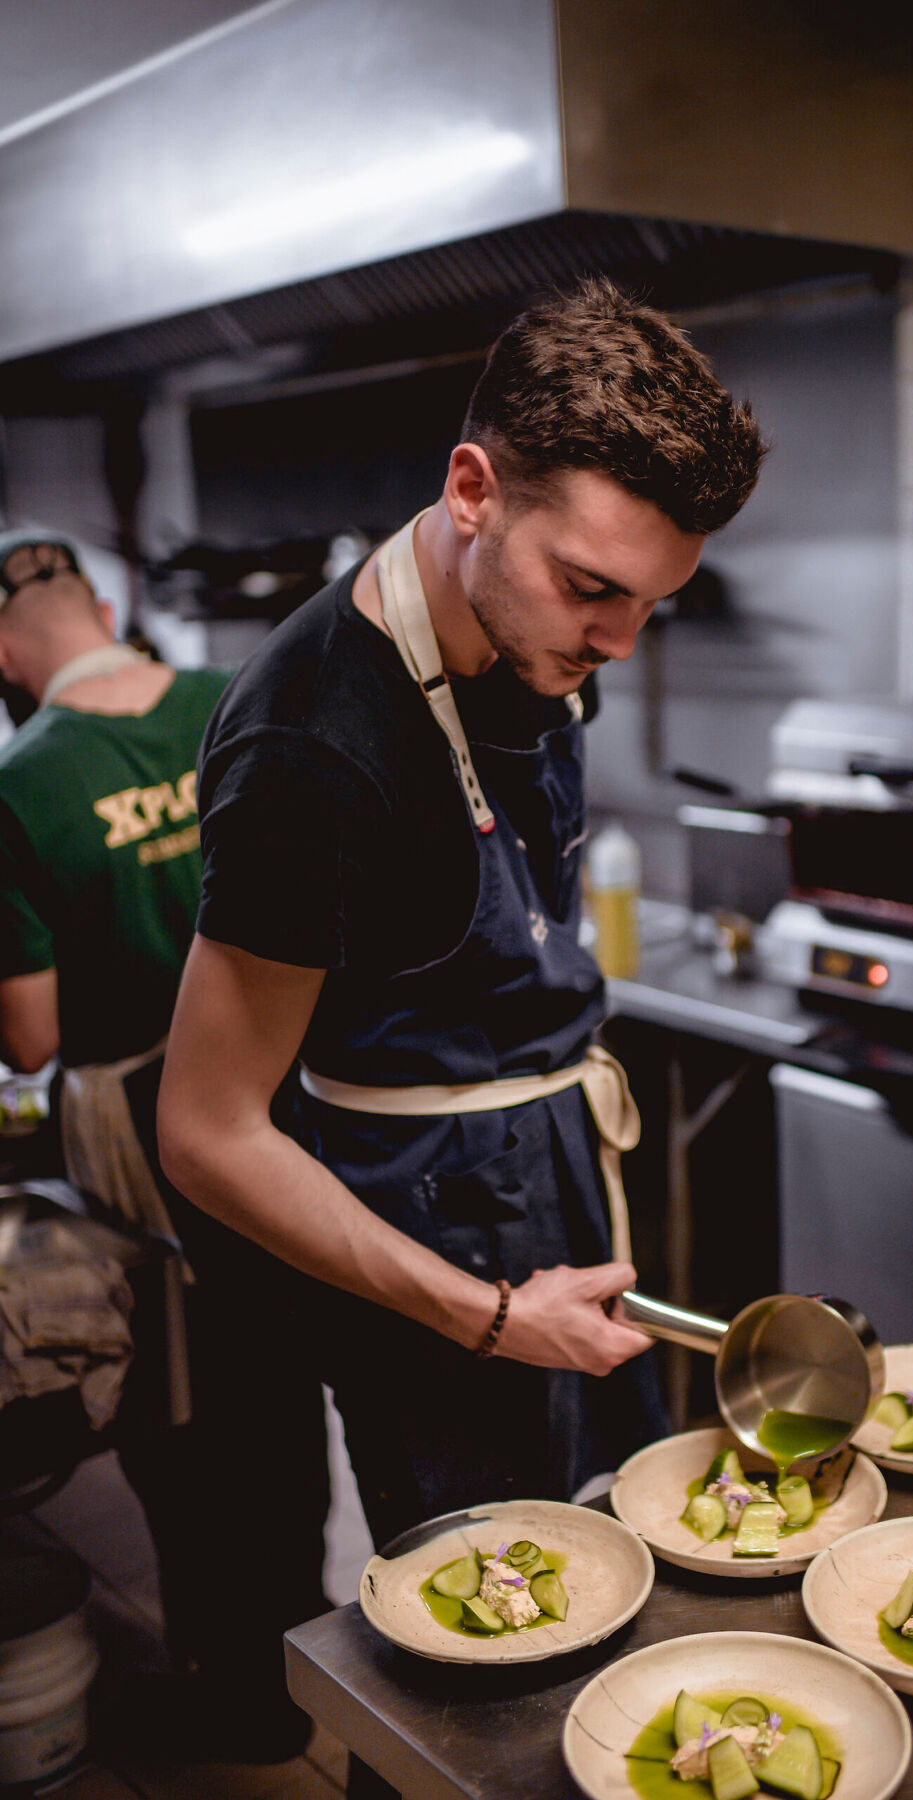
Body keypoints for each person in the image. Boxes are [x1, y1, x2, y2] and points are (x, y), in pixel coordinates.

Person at [158, 279, 767, 1550]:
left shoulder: (532, 628)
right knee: (481, 1626)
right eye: (592, 588)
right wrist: (486, 1315)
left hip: (554, 1176)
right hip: (421, 1237)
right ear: (473, 490)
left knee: (610, 1553)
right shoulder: (313, 742)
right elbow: (206, 1133)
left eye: (650, 602)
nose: (620, 642)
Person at [0, 532, 331, 1761]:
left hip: (147, 1130)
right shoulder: (230, 697)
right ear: (99, 607)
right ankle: (306, 1667)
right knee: (284, 1389)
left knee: (181, 1411)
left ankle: (227, 1686)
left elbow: (29, 1037)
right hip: (282, 1087)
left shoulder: (22, 778)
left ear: (5, 651)